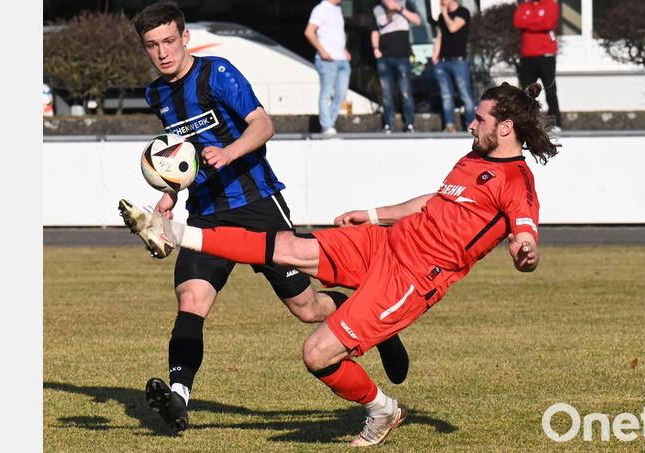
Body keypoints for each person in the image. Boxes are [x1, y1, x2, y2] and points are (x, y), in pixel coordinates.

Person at [120, 82, 559, 446]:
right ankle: (172, 233)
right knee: (288, 246)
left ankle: (382, 410)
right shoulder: (474, 158)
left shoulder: (517, 182)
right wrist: (373, 215)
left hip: (411, 279)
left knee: (316, 354)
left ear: (505, 127)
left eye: (479, 119)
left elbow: (526, 235)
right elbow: (436, 201)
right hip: (384, 243)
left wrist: (526, 252)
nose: (471, 123)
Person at [127, 1, 408, 434]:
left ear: (185, 38)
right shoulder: (156, 95)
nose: (162, 52)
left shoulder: (217, 73)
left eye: (168, 41)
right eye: (152, 45)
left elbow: (262, 125)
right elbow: (181, 158)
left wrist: (229, 152)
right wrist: (169, 195)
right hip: (206, 216)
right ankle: (179, 399)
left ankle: (375, 324)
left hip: (257, 206)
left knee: (307, 308)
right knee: (191, 300)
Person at [370, 0, 422, 133]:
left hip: (402, 56)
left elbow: (417, 21)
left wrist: (399, 8)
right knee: (386, 93)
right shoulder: (377, 9)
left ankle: (410, 124)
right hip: (384, 58)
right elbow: (374, 31)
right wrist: (375, 48)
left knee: (406, 92)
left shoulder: (405, 3)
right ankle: (388, 124)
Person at [513, 0, 563, 131]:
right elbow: (518, 22)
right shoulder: (524, 6)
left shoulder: (551, 5)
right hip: (527, 55)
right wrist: (538, 22)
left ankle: (555, 122)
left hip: (546, 55)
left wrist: (529, 23)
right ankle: (528, 122)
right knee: (527, 93)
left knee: (550, 90)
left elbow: (548, 24)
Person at [304, 0, 351, 136]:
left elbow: (336, 34)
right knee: (326, 93)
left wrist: (344, 50)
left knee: (341, 94)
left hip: (342, 59)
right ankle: (327, 126)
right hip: (327, 60)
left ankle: (329, 123)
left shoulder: (337, 9)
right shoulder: (321, 8)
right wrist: (322, 51)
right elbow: (309, 32)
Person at [432, 0, 474, 132]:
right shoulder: (441, 16)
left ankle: (471, 125)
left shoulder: (463, 12)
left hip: (458, 61)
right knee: (446, 95)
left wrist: (445, 14)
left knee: (465, 94)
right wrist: (435, 56)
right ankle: (449, 125)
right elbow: (439, 36)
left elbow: (453, 28)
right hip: (442, 61)